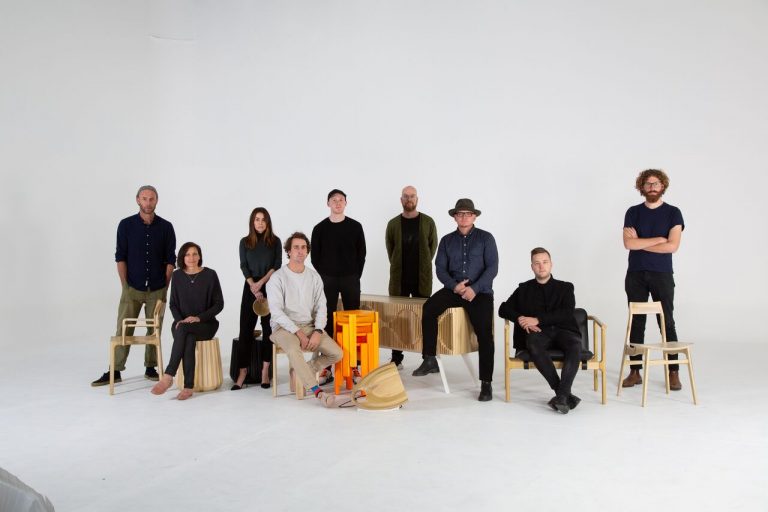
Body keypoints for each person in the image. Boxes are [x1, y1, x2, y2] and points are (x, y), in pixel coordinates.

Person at [411, 198, 498, 402]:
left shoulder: (486, 238)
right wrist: (454, 286)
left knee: (485, 334)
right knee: (429, 309)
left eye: (468, 214)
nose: (464, 217)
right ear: (455, 217)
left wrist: (474, 289)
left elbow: (492, 268)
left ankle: (486, 383)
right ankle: (429, 358)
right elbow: (440, 268)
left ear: (474, 216)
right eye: (460, 214)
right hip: (454, 289)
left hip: (480, 292)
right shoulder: (446, 241)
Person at [92, 185, 176, 387]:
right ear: (138, 200)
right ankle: (115, 370)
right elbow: (120, 257)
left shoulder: (166, 227)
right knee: (123, 328)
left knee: (154, 330)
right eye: (144, 198)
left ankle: (151, 367)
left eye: (152, 199)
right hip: (132, 288)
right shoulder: (126, 225)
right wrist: (125, 286)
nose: (148, 202)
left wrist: (164, 287)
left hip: (157, 288)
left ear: (157, 201)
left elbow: (170, 260)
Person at [622, 169, 685, 390]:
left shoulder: (673, 213)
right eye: (647, 183)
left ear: (663, 186)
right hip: (636, 274)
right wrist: (659, 239)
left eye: (656, 183)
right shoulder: (633, 212)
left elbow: (672, 246)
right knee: (636, 322)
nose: (652, 187)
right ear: (642, 187)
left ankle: (673, 372)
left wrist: (641, 242)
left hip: (662, 274)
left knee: (667, 322)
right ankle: (635, 372)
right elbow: (629, 244)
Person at [498, 248, 583, 414]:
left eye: (545, 262)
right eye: (537, 263)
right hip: (539, 334)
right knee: (532, 341)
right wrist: (520, 318)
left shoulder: (566, 287)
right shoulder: (524, 289)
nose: (541, 266)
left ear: (551, 264)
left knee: (575, 345)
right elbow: (503, 309)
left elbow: (567, 313)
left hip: (564, 331)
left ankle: (562, 395)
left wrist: (538, 319)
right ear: (532, 267)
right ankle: (563, 395)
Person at [267, 232, 343, 407]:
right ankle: (318, 393)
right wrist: (298, 333)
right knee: (294, 350)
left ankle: (301, 370)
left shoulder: (314, 276)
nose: (300, 251)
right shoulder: (277, 277)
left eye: (303, 247)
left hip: (309, 325)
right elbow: (276, 312)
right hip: (283, 328)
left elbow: (322, 306)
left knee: (337, 353)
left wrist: (318, 330)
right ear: (288, 251)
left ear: (307, 251)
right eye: (296, 247)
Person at [151, 242, 224, 400]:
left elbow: (219, 304)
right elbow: (173, 304)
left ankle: (168, 376)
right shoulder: (177, 276)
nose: (191, 258)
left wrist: (198, 318)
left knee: (184, 331)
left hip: (206, 324)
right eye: (188, 254)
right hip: (182, 324)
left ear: (200, 256)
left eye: (195, 254)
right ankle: (188, 387)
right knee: (187, 336)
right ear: (182, 258)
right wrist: (180, 320)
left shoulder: (210, 275)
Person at [310, 189, 366, 384]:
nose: (337, 203)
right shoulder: (319, 228)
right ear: (328, 204)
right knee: (326, 322)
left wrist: (355, 275)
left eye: (341, 200)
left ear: (345, 203)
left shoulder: (355, 226)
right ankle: (326, 367)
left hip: (350, 278)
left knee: (353, 322)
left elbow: (362, 254)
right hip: (328, 279)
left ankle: (354, 366)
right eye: (334, 200)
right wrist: (326, 275)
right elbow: (315, 257)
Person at [385, 185, 438, 369]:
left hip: (421, 278)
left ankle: (427, 358)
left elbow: (432, 247)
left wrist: (423, 264)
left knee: (425, 317)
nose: (409, 199)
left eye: (412, 196)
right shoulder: (393, 224)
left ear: (417, 199)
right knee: (396, 318)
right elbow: (390, 249)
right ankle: (396, 358)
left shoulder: (428, 222)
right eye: (406, 196)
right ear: (401, 200)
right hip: (399, 279)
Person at [232, 207, 282, 390]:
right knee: (245, 329)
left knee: (268, 329)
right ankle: (242, 371)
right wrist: (253, 286)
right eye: (257, 219)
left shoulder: (275, 241)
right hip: (250, 287)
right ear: (252, 222)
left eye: (263, 219)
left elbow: (276, 265)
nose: (260, 223)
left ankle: (265, 371)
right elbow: (243, 266)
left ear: (267, 222)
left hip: (270, 286)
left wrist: (261, 283)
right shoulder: (244, 242)